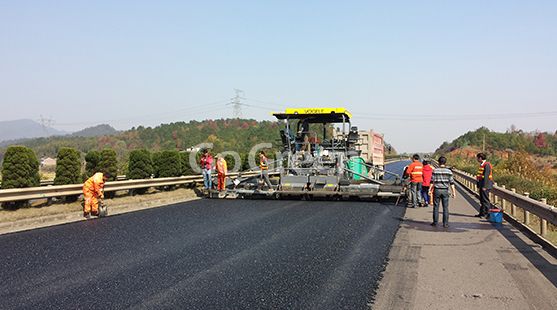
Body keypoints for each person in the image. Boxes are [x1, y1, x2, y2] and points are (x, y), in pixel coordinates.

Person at [429, 157, 456, 228]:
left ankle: (435, 222)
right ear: (445, 162)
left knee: (436, 207)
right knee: (445, 208)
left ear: (438, 162)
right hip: (445, 190)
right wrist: (454, 192)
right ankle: (445, 223)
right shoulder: (449, 172)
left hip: (437, 190)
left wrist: (429, 189)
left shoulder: (435, 171)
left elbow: (432, 181)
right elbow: (452, 183)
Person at [475, 152, 493, 218]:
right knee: (482, 199)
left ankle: (487, 214)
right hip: (481, 184)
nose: (477, 159)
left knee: (485, 200)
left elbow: (486, 176)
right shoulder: (482, 164)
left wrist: (485, 186)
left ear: (480, 158)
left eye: (477, 158)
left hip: (485, 185)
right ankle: (482, 213)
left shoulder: (487, 165)